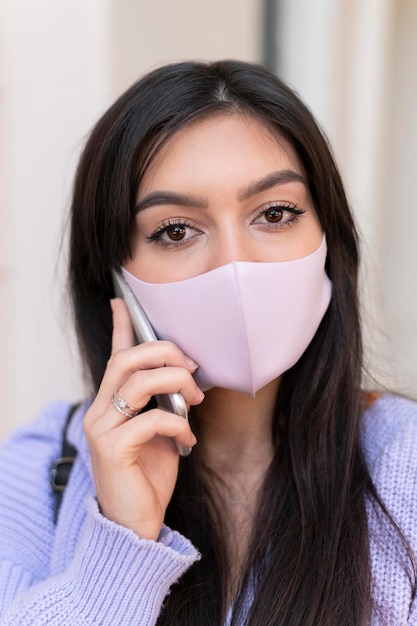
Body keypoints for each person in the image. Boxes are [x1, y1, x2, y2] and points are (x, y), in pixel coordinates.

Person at [0, 60, 416, 626]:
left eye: (275, 213)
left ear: (329, 245)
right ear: (115, 278)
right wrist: (121, 545)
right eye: (176, 230)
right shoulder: (36, 471)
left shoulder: (406, 466)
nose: (234, 265)